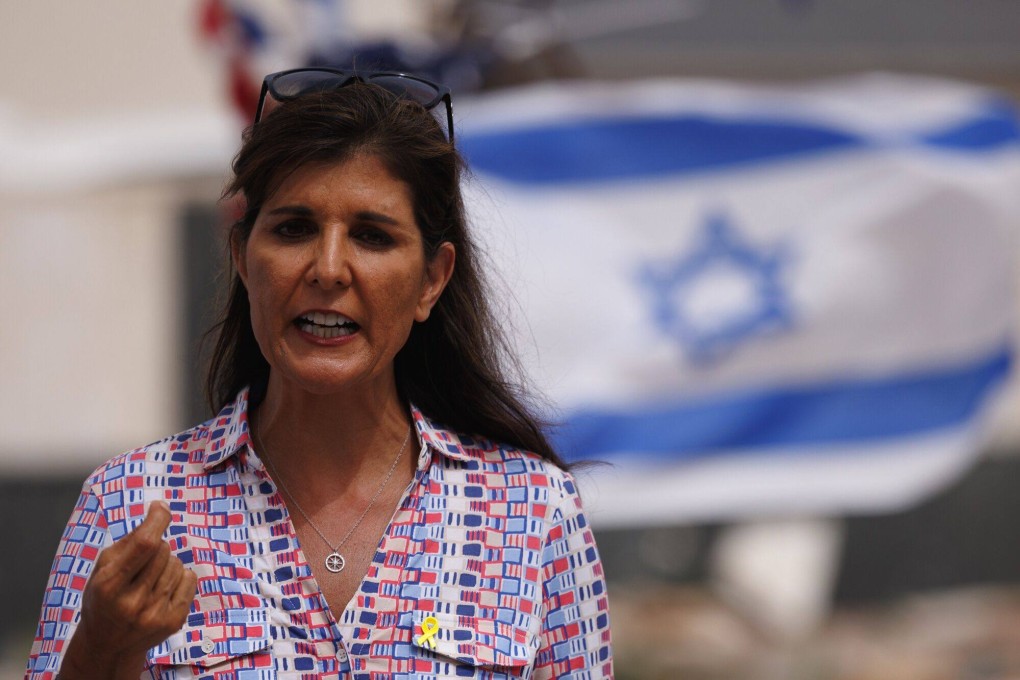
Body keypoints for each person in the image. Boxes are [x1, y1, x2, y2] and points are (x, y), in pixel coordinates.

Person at [26, 68, 613, 679]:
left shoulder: (532, 511)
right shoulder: (129, 505)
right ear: (243, 260)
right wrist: (103, 647)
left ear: (431, 280)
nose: (329, 269)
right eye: (294, 229)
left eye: (372, 236)